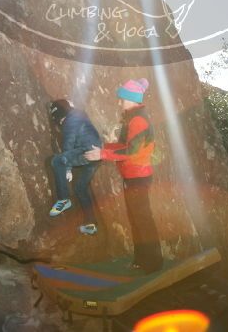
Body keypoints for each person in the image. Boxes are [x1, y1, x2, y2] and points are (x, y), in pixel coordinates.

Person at [85, 78, 163, 273]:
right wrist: (104, 148)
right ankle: (142, 260)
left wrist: (103, 154)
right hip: (133, 176)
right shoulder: (132, 117)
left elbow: (131, 151)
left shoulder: (138, 120)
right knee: (137, 218)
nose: (120, 102)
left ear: (132, 99)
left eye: (122, 99)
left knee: (142, 219)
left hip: (138, 177)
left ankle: (152, 263)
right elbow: (123, 146)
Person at [48, 99, 102, 235]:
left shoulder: (70, 120)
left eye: (59, 121)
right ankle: (90, 224)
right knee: (80, 188)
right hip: (96, 155)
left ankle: (63, 199)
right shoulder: (80, 115)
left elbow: (68, 143)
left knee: (57, 161)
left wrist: (67, 168)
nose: (60, 124)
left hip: (87, 152)